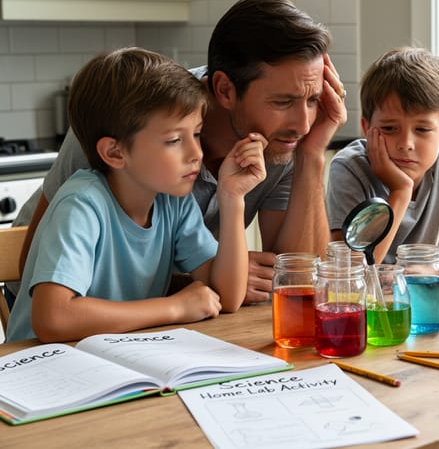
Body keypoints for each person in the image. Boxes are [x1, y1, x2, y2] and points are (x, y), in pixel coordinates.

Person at [9, 0, 346, 307]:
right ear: (225, 90)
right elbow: (31, 267)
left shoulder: (283, 140)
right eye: (283, 102)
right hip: (54, 313)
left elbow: (299, 278)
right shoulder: (132, 118)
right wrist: (191, 289)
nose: (303, 124)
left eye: (314, 99)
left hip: (158, 323)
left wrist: (311, 155)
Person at [6, 48, 267, 342]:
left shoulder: (173, 200)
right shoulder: (82, 204)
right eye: (173, 140)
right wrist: (173, 308)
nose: (196, 153)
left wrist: (231, 198)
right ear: (115, 152)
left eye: (196, 134)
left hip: (114, 359)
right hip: (41, 369)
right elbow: (53, 319)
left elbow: (227, 297)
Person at [326, 47, 439, 280]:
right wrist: (401, 190)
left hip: (418, 296)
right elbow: (354, 273)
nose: (406, 144)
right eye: (390, 129)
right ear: (367, 128)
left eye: (422, 129)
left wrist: (429, 271)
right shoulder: (349, 168)